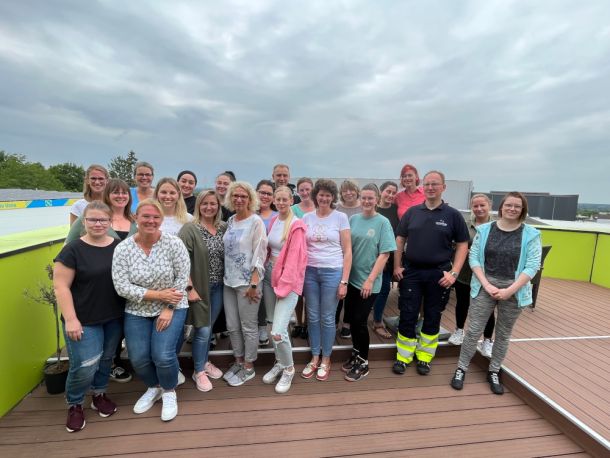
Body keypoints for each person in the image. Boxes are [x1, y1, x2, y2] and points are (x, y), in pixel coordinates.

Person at [451, 192, 541, 395]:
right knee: (473, 330)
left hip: (514, 290)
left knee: (503, 334)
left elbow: (533, 265)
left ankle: (494, 370)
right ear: (501, 207)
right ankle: (461, 368)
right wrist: (486, 284)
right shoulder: (484, 230)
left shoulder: (531, 234)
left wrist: (510, 290)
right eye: (508, 205)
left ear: (523, 210)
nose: (512, 209)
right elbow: (474, 259)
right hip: (485, 286)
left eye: (517, 206)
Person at [112, 199, 190, 422]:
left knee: (163, 355)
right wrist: (158, 295)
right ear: (135, 218)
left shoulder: (173, 243)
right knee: (138, 357)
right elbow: (121, 286)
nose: (151, 221)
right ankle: (154, 386)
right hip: (137, 309)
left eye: (156, 217)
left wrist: (168, 307)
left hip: (172, 305)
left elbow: (182, 277)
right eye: (146, 216)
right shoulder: (123, 248)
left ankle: (169, 391)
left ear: (161, 220)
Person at [54, 201, 125, 432]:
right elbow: (61, 287)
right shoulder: (72, 249)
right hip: (83, 318)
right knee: (84, 364)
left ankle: (99, 394)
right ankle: (75, 403)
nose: (98, 224)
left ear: (110, 222)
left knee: (106, 359)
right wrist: (71, 319)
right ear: (84, 222)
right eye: (92, 219)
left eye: (103, 219)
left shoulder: (118, 247)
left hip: (113, 316)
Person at [393, 171, 469, 376]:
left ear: (443, 187)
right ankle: (403, 356)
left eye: (435, 184)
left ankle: (425, 357)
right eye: (427, 184)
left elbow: (463, 244)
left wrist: (454, 273)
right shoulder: (412, 212)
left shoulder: (453, 215)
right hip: (411, 272)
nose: (430, 187)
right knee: (407, 313)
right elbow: (400, 239)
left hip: (439, 274)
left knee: (433, 315)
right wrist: (397, 266)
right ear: (422, 187)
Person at [65, 179, 137, 383]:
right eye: (115, 192)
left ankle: (111, 364)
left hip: (126, 288)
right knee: (95, 338)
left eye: (124, 192)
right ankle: (93, 375)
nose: (120, 196)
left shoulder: (134, 220)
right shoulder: (91, 218)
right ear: (107, 194)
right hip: (97, 287)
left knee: (117, 329)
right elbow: (68, 247)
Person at [341, 184, 396, 381]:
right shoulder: (353, 219)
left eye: (370, 198)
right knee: (352, 320)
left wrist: (370, 280)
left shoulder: (383, 222)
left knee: (360, 321)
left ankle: (363, 363)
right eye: (363, 197)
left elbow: (385, 254)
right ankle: (356, 353)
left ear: (377, 199)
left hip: (369, 283)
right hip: (352, 280)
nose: (366, 201)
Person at [301, 179, 352, 381]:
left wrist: (344, 281)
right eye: (321, 194)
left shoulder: (340, 217)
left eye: (328, 195)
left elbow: (348, 251)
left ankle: (326, 358)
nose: (324, 198)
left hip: (333, 271)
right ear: (316, 196)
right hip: (310, 272)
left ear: (333, 197)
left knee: (328, 317)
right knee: (312, 316)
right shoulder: (306, 217)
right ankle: (315, 356)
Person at [178, 190, 227, 392]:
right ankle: (198, 371)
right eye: (205, 203)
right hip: (199, 287)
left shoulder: (223, 227)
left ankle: (204, 361)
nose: (209, 207)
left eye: (213, 203)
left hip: (219, 287)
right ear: (198, 205)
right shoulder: (190, 229)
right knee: (203, 329)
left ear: (218, 206)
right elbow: (181, 262)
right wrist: (189, 288)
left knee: (208, 328)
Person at [262, 186, 308, 393]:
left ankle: (289, 369)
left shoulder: (297, 225)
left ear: (291, 200)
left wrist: (284, 284)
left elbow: (295, 259)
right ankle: (280, 362)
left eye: (284, 199)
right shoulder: (274, 221)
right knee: (272, 324)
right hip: (270, 275)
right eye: (277, 199)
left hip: (288, 280)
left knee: (278, 331)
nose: (280, 202)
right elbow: (269, 249)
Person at [222, 181, 268, 387]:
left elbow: (260, 253)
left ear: (250, 199)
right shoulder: (231, 220)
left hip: (248, 283)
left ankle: (249, 366)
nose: (239, 199)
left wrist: (254, 284)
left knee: (248, 326)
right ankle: (239, 361)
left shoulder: (256, 222)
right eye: (235, 196)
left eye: (243, 196)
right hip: (229, 281)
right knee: (232, 326)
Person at [448, 194, 496, 357]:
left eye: (482, 205)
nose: (479, 209)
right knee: (462, 303)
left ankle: (487, 340)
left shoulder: (497, 227)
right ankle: (459, 330)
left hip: (487, 276)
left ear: (489, 205)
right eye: (475, 206)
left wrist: (476, 253)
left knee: (487, 309)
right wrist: (462, 251)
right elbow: (456, 245)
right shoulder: (465, 226)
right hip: (465, 273)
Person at [371, 181, 400, 339]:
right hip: (371, 255)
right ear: (381, 191)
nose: (390, 195)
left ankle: (377, 321)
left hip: (388, 255)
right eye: (388, 191)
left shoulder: (396, 210)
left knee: (383, 290)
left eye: (393, 193)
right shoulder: (373, 208)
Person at [335, 179, 361, 339]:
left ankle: (347, 323)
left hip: (358, 254)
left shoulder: (362, 207)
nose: (348, 193)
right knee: (338, 288)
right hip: (339, 255)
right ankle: (334, 321)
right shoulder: (336, 208)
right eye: (345, 190)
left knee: (352, 291)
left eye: (351, 190)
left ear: (357, 191)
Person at [290, 177, 315, 339]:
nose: (305, 193)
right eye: (302, 190)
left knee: (309, 293)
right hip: (297, 255)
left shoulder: (318, 208)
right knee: (298, 292)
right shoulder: (293, 209)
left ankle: (307, 324)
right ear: (298, 192)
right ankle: (299, 322)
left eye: (308, 189)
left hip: (313, 255)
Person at [256, 179, 278, 346]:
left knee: (267, 299)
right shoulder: (249, 213)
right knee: (254, 297)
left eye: (269, 194)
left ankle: (265, 328)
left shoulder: (277, 217)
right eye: (262, 192)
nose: (265, 196)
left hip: (270, 264)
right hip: (250, 264)